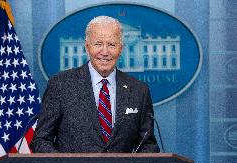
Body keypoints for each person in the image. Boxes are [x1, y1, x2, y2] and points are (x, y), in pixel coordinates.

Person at [30, 16, 159, 153]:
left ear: (120, 49)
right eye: (98, 44)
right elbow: (41, 140)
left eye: (111, 45)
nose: (104, 52)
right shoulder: (60, 85)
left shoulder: (139, 90)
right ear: (87, 47)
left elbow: (148, 144)